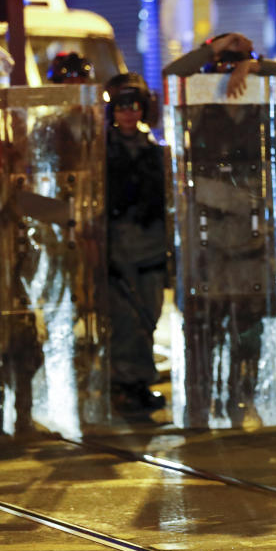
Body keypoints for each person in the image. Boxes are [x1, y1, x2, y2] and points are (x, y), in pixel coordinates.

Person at [104, 73, 168, 417]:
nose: (128, 113)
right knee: (125, 323)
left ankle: (140, 383)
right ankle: (125, 385)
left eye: (134, 107)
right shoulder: (101, 152)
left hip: (151, 252)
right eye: (122, 107)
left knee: (149, 318)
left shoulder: (153, 152)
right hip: (118, 253)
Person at [162, 32, 276, 98]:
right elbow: (169, 74)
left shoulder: (261, 83)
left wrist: (251, 66)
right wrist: (212, 48)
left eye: (235, 64)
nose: (229, 69)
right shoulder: (201, 85)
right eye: (223, 63)